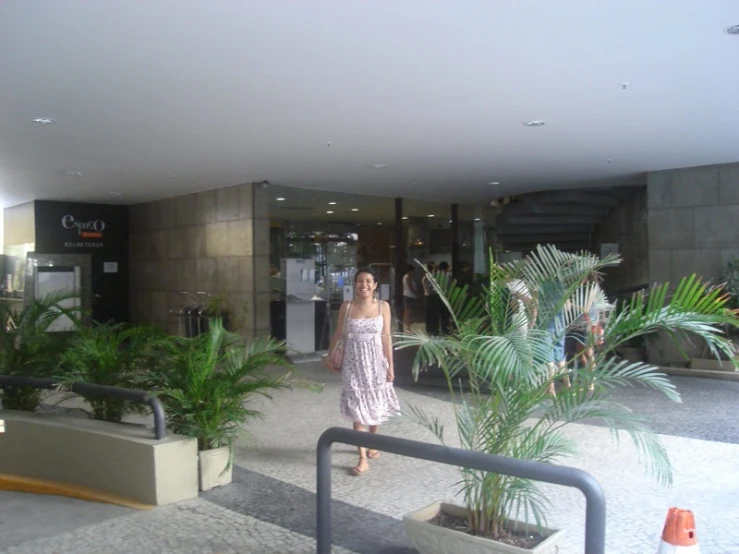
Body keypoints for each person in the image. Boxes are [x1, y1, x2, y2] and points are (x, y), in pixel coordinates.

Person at [325, 268, 401, 475]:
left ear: (375, 285)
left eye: (368, 281)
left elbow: (386, 337)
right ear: (354, 285)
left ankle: (372, 441)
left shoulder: (383, 306)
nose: (363, 285)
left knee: (375, 402)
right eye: (359, 281)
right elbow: (339, 333)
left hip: (377, 362)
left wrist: (391, 366)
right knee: (357, 408)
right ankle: (362, 457)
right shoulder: (347, 307)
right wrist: (330, 355)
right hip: (353, 363)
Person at [422, 262, 440, 335]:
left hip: (431, 297)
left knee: (433, 314)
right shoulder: (427, 277)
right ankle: (430, 329)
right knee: (430, 314)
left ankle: (433, 328)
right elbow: (428, 288)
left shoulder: (429, 277)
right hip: (430, 296)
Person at [402, 265, 419, 330]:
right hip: (409, 296)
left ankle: (408, 326)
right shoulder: (407, 277)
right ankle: (407, 326)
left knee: (409, 312)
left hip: (409, 296)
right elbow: (410, 287)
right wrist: (416, 293)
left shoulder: (407, 277)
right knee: (408, 312)